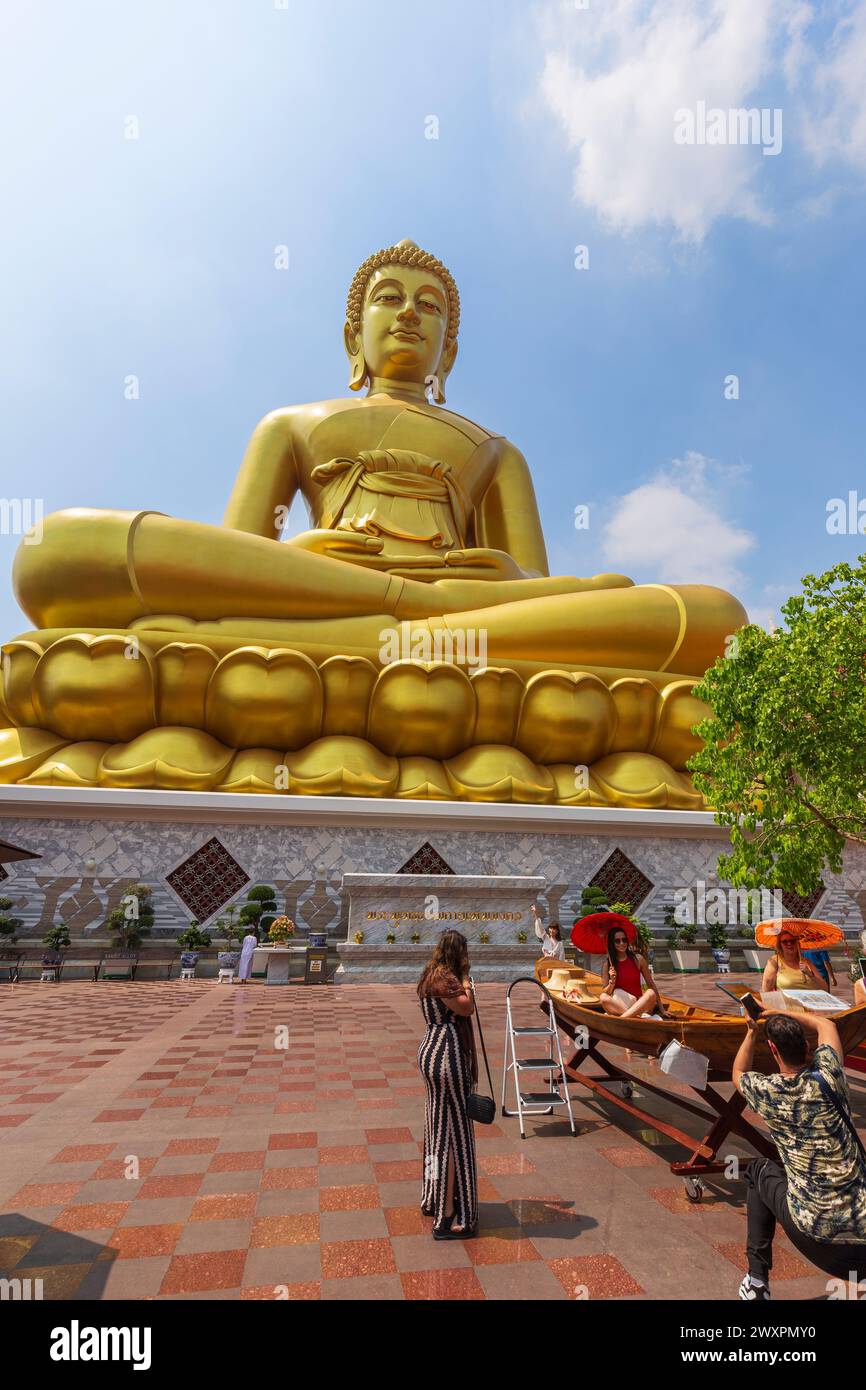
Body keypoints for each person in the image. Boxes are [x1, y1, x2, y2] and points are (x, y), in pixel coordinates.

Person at [733, 1008, 866, 1301]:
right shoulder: (830, 1077)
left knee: (758, 1170)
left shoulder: (766, 1091)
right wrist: (780, 1010)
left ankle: (757, 1282)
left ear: (772, 1049)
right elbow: (824, 1024)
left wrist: (752, 1030)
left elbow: (738, 1072)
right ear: (808, 1047)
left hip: (817, 1239)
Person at [417, 930, 478, 1240]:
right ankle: (449, 1215)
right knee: (454, 1134)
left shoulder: (430, 973)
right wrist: (466, 980)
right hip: (447, 1056)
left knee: (438, 1127)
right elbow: (466, 1008)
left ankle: (435, 1196)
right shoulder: (446, 978)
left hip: (432, 1050)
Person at [598, 923, 669, 1020]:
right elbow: (606, 993)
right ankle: (632, 1017)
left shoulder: (638, 959)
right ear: (612, 943)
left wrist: (662, 1010)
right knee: (603, 997)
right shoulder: (607, 964)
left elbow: (651, 985)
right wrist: (612, 982)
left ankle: (622, 1019)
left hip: (640, 1005)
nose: (622, 943)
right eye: (617, 941)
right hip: (621, 1005)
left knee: (650, 993)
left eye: (624, 940)